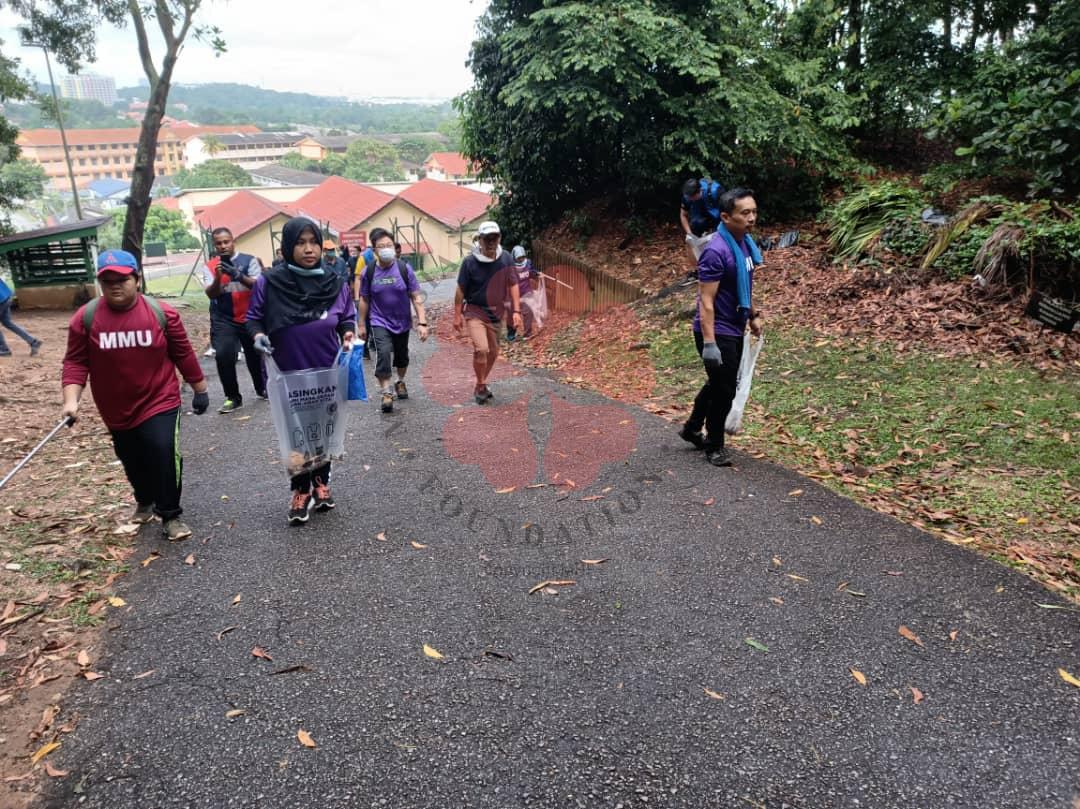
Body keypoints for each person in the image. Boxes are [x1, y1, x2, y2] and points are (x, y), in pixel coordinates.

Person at [61, 250, 210, 540]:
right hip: (115, 406)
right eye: (108, 281)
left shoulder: (161, 313)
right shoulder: (85, 318)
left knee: (163, 450)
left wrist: (199, 388)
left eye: (122, 279)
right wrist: (70, 401)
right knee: (131, 457)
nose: (115, 286)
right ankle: (144, 499)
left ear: (137, 280)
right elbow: (75, 362)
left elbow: (182, 353)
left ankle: (170, 515)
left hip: (159, 398)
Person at [246, 217, 356, 526]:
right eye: (300, 243)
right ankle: (300, 489)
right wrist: (258, 335)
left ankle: (321, 481)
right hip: (287, 370)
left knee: (323, 428)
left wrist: (348, 332)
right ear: (287, 247)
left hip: (326, 369)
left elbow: (346, 315)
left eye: (314, 242)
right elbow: (253, 317)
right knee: (295, 431)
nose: (309, 249)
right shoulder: (270, 282)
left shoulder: (335, 281)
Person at [680, 189, 763, 467]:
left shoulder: (744, 243)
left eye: (753, 212)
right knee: (725, 390)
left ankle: (692, 428)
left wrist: (752, 315)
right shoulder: (716, 251)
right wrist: (709, 343)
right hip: (716, 329)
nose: (751, 218)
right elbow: (706, 301)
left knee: (719, 383)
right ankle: (714, 446)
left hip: (734, 326)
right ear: (726, 217)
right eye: (745, 213)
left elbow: (744, 286)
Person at [357, 227, 429, 413]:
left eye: (389, 245)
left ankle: (400, 381)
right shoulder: (368, 272)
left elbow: (416, 297)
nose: (386, 249)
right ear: (374, 250)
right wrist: (361, 324)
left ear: (394, 247)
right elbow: (364, 299)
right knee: (383, 353)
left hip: (402, 321)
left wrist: (422, 323)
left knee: (402, 356)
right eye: (381, 246)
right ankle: (386, 392)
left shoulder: (404, 269)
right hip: (379, 321)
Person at [453, 220, 521, 405]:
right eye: (487, 238)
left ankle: (480, 384)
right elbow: (460, 289)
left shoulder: (505, 258)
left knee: (493, 352)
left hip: (496, 312)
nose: (491, 242)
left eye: (494, 238)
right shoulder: (469, 262)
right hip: (475, 310)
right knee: (481, 349)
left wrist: (516, 311)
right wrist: (457, 315)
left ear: (499, 238)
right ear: (479, 240)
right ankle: (482, 384)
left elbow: (513, 284)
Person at [202, 227, 265, 413]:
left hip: (249, 317)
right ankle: (232, 397)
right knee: (223, 355)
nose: (223, 246)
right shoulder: (210, 266)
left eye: (226, 242)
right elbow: (210, 294)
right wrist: (218, 277)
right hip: (224, 318)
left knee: (255, 355)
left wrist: (238, 275)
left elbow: (258, 285)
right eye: (219, 243)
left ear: (233, 241)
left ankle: (262, 388)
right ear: (214, 246)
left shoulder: (249, 260)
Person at [680, 178, 725, 278]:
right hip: (699, 218)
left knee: (716, 242)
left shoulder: (715, 191)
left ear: (700, 191)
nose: (690, 199)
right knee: (690, 241)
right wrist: (689, 234)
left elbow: (727, 212)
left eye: (693, 197)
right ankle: (696, 271)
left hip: (718, 218)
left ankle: (720, 268)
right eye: (689, 197)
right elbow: (683, 215)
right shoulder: (687, 197)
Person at [0, 276, 42, 357]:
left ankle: (4, 349)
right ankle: (33, 342)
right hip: (6, 296)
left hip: (1, 300)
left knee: (7, 322)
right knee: (7, 322)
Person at [506, 245, 538, 340]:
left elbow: (532, 272)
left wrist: (537, 273)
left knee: (528, 312)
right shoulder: (510, 267)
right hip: (513, 294)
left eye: (522, 257)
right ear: (514, 257)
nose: (521, 259)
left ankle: (527, 333)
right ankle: (511, 335)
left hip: (526, 292)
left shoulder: (528, 263)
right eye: (518, 258)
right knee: (512, 314)